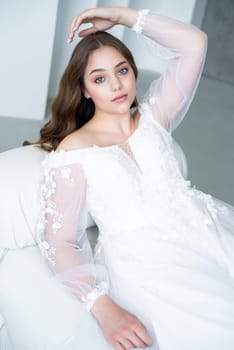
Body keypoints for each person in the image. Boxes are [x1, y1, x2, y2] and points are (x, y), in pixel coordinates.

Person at [34, 6, 234, 350]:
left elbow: (194, 43)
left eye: (122, 70)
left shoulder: (155, 116)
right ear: (84, 90)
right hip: (153, 265)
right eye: (99, 78)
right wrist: (102, 306)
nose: (115, 85)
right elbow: (60, 241)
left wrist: (123, 17)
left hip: (210, 234)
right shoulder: (73, 150)